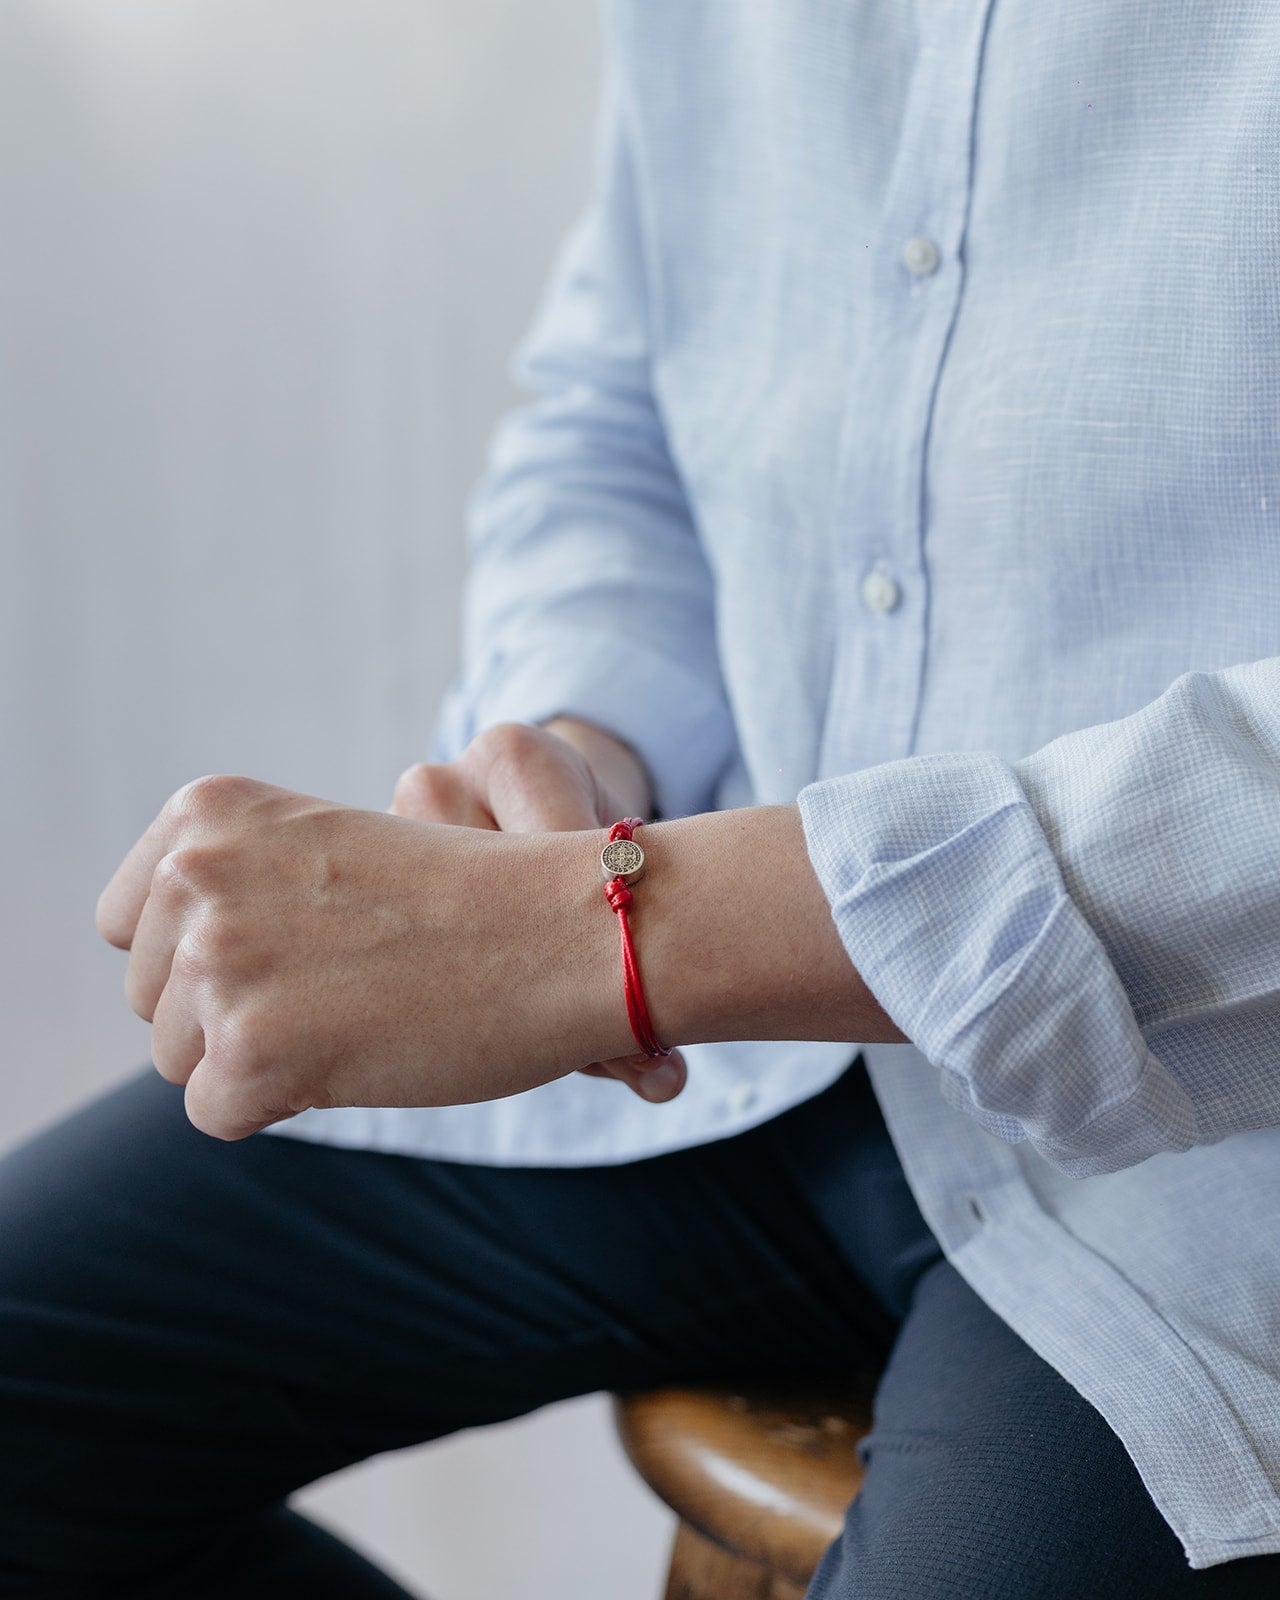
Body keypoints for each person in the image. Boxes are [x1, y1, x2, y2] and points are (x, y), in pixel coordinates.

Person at [5, 2, 1280, 1595]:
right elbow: (622, 408)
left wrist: (615, 935)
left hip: (1232, 1168)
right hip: (752, 1068)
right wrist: (572, 755)